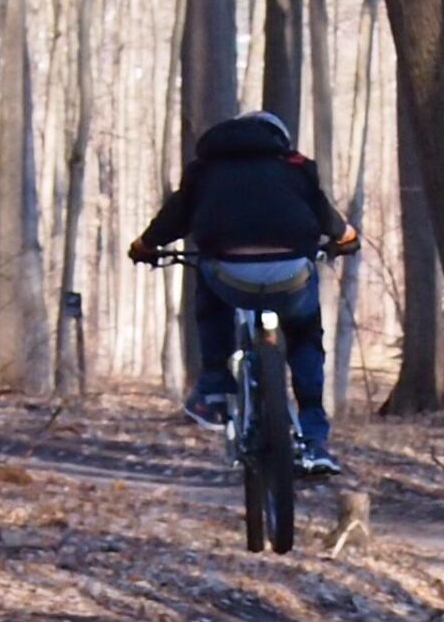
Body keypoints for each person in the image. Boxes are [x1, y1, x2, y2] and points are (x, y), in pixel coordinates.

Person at [129, 110, 359, 477]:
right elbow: (332, 224)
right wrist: (347, 240)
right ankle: (314, 440)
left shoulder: (205, 170)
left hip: (229, 276)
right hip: (290, 277)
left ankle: (216, 383)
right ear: (279, 140)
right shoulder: (297, 168)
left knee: (208, 278)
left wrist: (143, 247)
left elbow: (171, 221)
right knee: (304, 337)